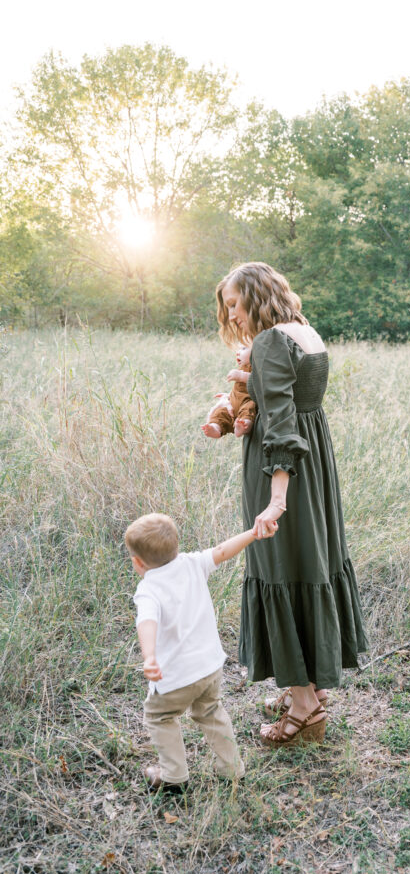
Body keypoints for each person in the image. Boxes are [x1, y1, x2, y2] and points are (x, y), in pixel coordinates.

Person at [215, 261, 368, 748]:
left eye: (236, 305)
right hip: (315, 467)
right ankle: (310, 684)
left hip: (283, 472)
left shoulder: (270, 341)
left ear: (257, 297)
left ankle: (305, 710)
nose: (233, 315)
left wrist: (276, 499)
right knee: (311, 563)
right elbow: (293, 404)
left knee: (282, 568)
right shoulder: (304, 331)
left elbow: (280, 422)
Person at [127, 512, 267, 790]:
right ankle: (231, 769)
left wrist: (150, 656)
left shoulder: (148, 589)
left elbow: (147, 621)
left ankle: (173, 777)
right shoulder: (192, 563)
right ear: (177, 547)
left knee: (160, 717)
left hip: (175, 677)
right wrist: (253, 533)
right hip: (209, 667)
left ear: (137, 563)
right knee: (211, 711)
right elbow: (222, 550)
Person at [202, 344, 255, 439]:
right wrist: (229, 395)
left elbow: (262, 381)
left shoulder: (258, 366)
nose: (238, 352)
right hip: (234, 401)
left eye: (243, 348)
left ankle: (243, 427)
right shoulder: (243, 366)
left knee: (249, 411)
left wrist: (242, 376)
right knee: (221, 413)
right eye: (238, 348)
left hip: (247, 401)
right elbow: (240, 390)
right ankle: (215, 428)